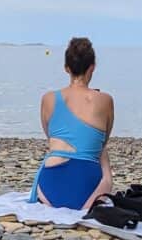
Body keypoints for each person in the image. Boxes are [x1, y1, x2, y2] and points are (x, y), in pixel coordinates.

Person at [29, 37, 113, 210]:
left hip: (49, 187)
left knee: (58, 148)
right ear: (93, 67)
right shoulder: (105, 100)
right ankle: (104, 183)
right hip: (88, 192)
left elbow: (50, 135)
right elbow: (102, 141)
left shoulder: (49, 99)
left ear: (66, 68)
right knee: (101, 151)